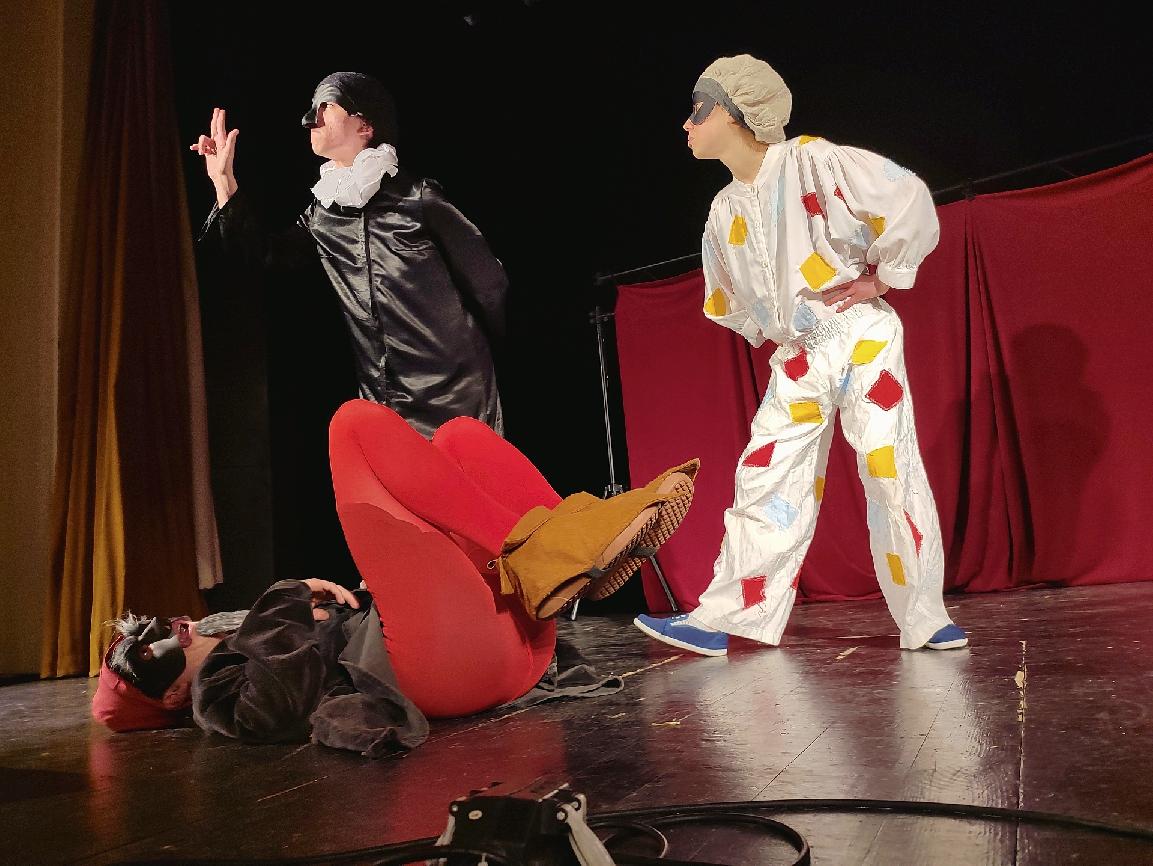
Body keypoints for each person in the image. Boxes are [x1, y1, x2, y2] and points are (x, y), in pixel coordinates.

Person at [94, 401, 698, 749]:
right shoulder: (215, 699)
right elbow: (275, 710)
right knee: (352, 424)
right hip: (448, 673)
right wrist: (290, 595)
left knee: (459, 436)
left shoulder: (238, 641)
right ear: (168, 695)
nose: (172, 626)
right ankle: (554, 551)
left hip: (508, 654)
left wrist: (337, 602)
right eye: (154, 645)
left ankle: (565, 556)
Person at [634, 55, 967, 657]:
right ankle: (724, 616)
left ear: (736, 114)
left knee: (888, 467)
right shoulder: (724, 210)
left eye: (698, 110)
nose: (687, 124)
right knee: (765, 477)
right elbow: (728, 297)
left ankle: (925, 617)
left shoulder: (810, 160)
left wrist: (883, 278)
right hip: (798, 355)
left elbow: (906, 196)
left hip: (858, 332)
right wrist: (781, 326)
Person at [192, 72, 507, 437]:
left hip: (457, 391)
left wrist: (488, 352)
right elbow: (265, 254)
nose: (311, 119)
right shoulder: (324, 213)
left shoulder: (418, 198)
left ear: (365, 126)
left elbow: (488, 283)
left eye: (327, 105)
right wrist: (223, 182)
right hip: (385, 397)